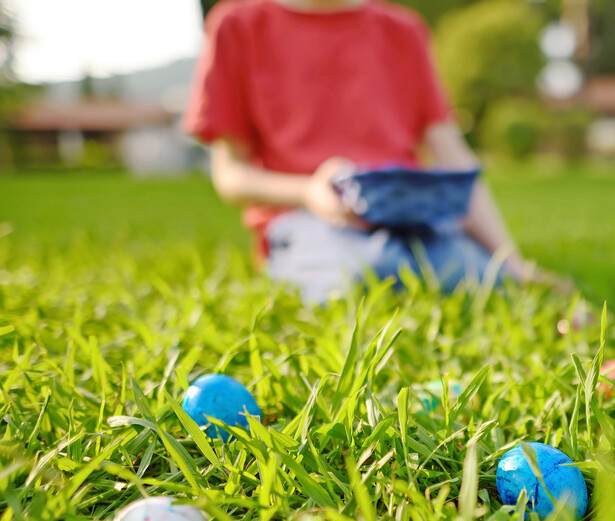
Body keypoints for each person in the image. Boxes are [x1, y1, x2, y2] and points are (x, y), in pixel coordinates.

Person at [185, 0, 554, 303]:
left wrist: (512, 263)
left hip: (408, 217)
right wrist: (309, 192)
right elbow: (230, 174)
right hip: (304, 218)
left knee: (483, 279)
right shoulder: (238, 25)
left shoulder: (403, 31)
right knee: (375, 273)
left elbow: (454, 160)